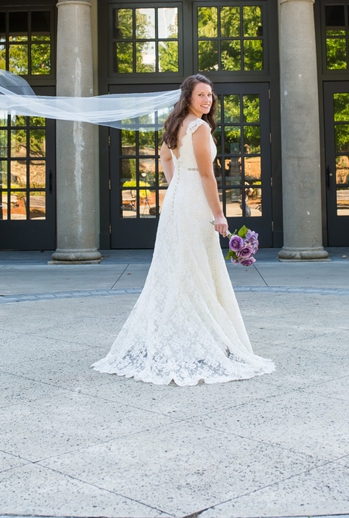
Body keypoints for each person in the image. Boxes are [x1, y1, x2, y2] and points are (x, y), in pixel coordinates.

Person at [93, 74, 275, 385]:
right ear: (188, 97)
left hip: (177, 201)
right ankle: (201, 339)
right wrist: (219, 215)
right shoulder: (199, 127)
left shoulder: (175, 124)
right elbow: (207, 176)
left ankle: (184, 336)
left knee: (178, 266)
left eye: (210, 95)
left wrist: (175, 183)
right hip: (194, 203)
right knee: (195, 267)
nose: (208, 100)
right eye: (201, 95)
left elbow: (165, 157)